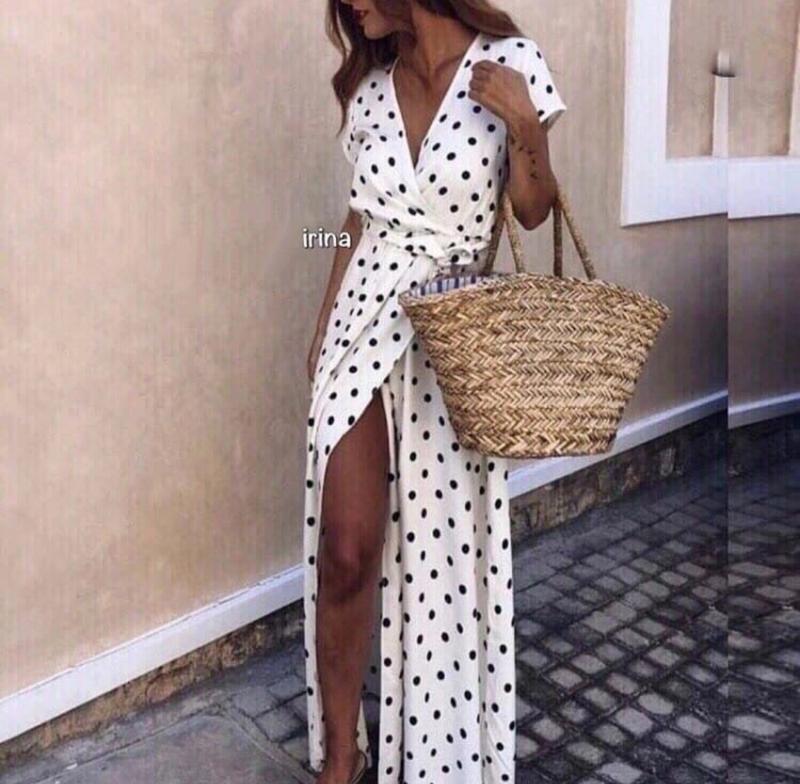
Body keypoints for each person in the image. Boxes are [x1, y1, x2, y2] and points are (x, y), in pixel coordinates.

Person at [303, 1, 567, 782]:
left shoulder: (511, 64)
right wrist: (322, 327)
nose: (350, 6)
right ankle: (342, 754)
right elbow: (354, 225)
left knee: (438, 557)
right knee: (347, 548)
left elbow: (534, 211)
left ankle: (436, 748)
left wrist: (525, 126)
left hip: (452, 345)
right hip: (360, 328)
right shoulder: (372, 91)